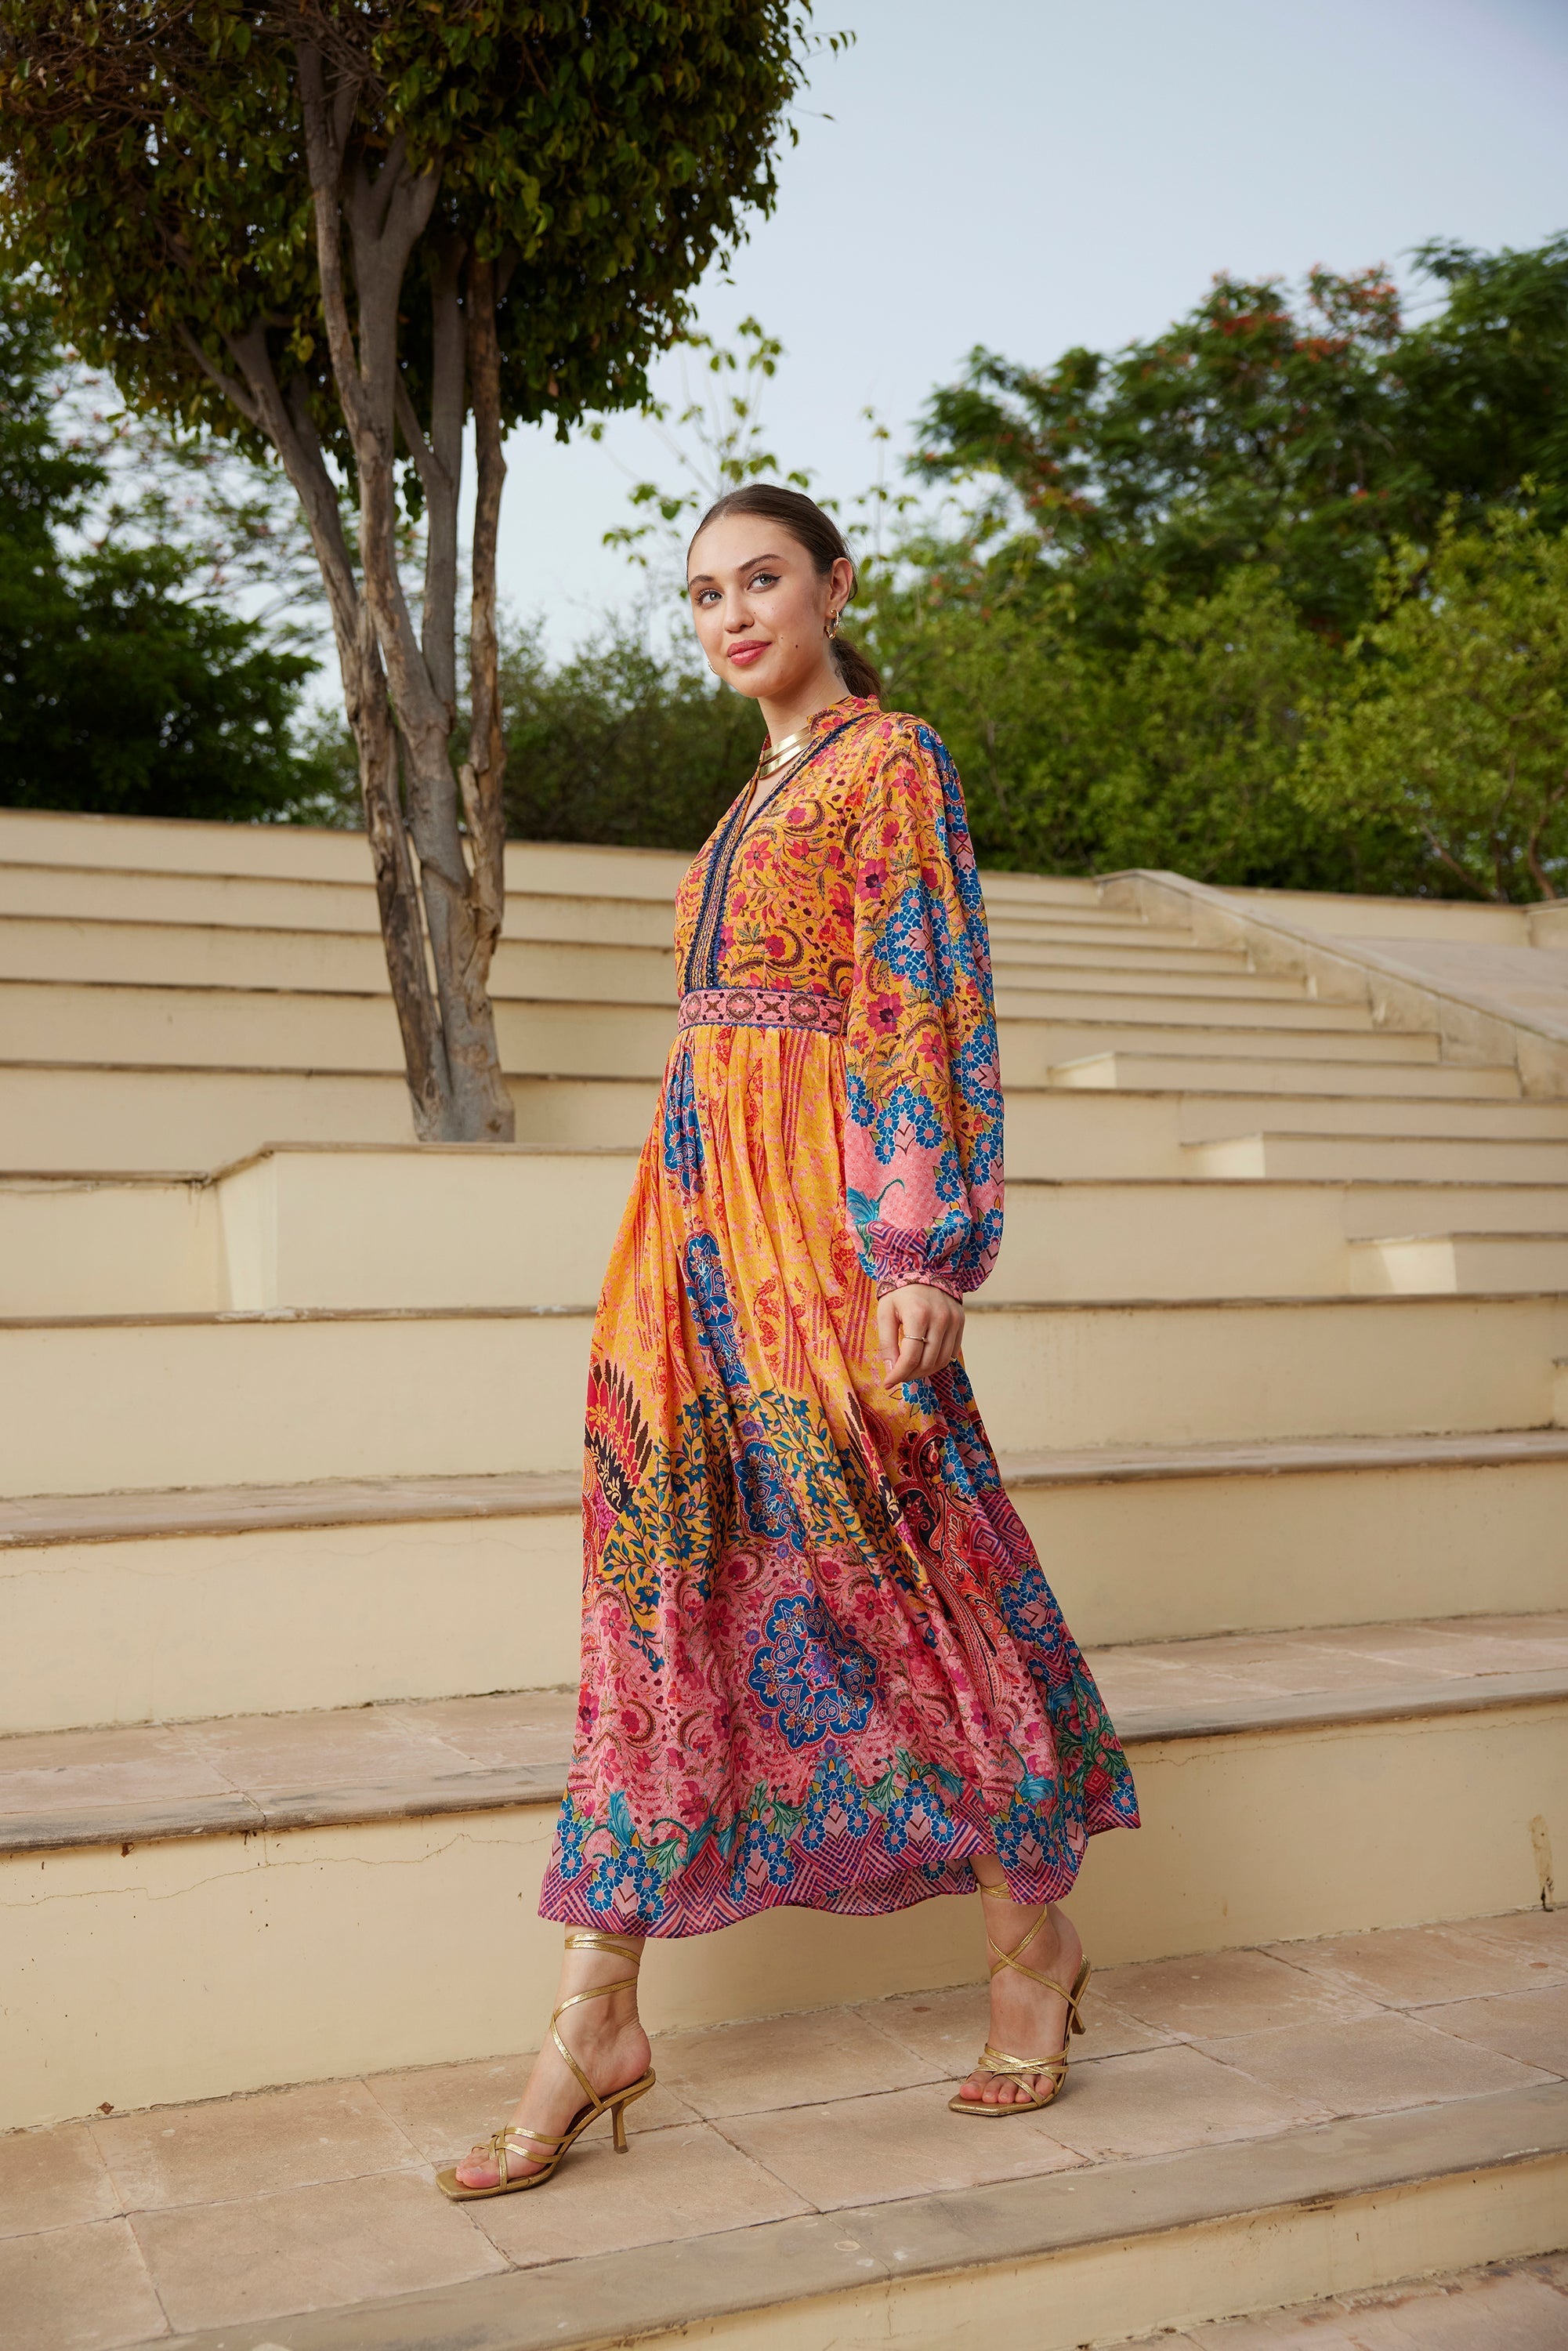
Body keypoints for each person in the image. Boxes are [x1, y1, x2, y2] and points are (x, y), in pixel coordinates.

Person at [438, 484, 1139, 2201]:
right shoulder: (747, 796)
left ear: (835, 586)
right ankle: (593, 2014)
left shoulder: (889, 759)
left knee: (899, 1565)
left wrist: (920, 1240)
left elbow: (921, 990)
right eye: (703, 595)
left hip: (822, 1226)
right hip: (685, 1230)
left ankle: (1031, 1946)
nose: (732, 615)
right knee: (658, 1580)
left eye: (761, 580)